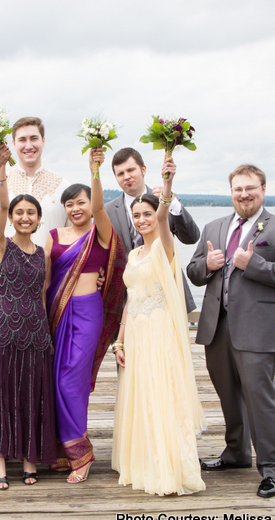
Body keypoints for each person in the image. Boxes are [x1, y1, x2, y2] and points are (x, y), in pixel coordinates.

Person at [186, 164, 275, 499]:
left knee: (261, 399)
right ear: (231, 192)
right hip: (217, 327)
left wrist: (252, 265)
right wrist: (206, 266)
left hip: (258, 328)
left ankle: (274, 468)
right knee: (228, 396)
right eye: (238, 189)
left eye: (250, 188)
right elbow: (194, 272)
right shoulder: (214, 226)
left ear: (263, 189)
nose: (243, 195)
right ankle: (236, 453)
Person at [110, 166, 206, 496]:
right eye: (136, 215)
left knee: (163, 392)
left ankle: (169, 466)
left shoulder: (165, 248)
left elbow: (165, 220)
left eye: (146, 213)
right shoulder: (134, 254)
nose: (141, 220)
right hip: (136, 332)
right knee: (140, 393)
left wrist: (167, 185)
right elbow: (129, 299)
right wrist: (119, 340)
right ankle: (143, 462)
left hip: (160, 331)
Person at [45, 148, 125, 483]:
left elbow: (99, 206)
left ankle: (81, 454)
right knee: (53, 381)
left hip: (88, 313)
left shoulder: (100, 234)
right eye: (70, 204)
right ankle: (64, 450)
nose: (76, 208)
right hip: (56, 314)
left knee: (71, 382)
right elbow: (47, 280)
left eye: (82, 202)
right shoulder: (53, 237)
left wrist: (94, 168)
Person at [0, 144, 57, 490]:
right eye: (19, 213)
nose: (25, 217)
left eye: (31, 213)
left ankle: (29, 457)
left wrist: (47, 335)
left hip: (35, 333)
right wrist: (1, 168)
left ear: (39, 219)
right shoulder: (0, 246)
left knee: (31, 397)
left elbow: (42, 295)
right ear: (11, 218)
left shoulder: (42, 253)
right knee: (2, 396)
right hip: (3, 332)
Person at [107, 147, 200, 313]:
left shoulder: (166, 198)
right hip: (129, 299)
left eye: (130, 170)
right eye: (120, 173)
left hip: (168, 292)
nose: (126, 176)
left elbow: (191, 237)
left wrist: (171, 203)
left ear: (143, 169)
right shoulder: (108, 211)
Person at [0, 117, 74, 246]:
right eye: (22, 140)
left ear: (43, 141)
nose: (28, 145)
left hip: (50, 265)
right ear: (13, 144)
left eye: (33, 138)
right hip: (6, 264)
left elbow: (76, 233)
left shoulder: (62, 186)